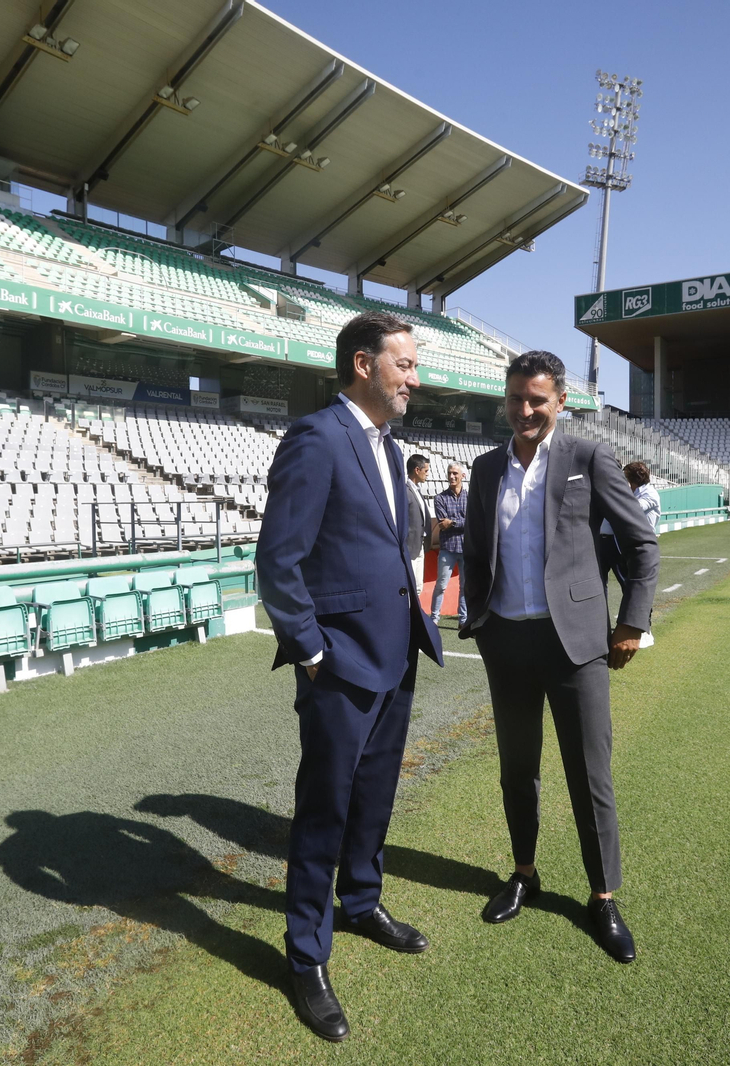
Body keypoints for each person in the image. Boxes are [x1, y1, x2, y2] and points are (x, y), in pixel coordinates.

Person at [255, 310, 444, 1042]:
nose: (415, 379)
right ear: (364, 365)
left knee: (375, 796)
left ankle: (361, 903)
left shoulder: (386, 445)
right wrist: (310, 650)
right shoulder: (316, 437)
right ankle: (306, 954)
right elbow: (279, 559)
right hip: (338, 662)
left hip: (395, 654)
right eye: (405, 365)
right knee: (325, 809)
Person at [459, 350, 659, 963]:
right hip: (507, 642)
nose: (524, 410)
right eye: (516, 398)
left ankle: (602, 896)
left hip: (576, 645)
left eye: (537, 400)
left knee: (588, 772)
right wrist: (477, 616)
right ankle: (524, 872)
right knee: (517, 769)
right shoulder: (486, 467)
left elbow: (641, 543)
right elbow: (476, 551)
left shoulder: (587, 457)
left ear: (559, 402)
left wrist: (631, 622)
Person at [431, 463, 468, 628]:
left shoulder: (471, 497)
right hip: (448, 548)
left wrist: (452, 522)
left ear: (462, 476)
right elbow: (442, 523)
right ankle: (434, 618)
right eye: (449, 473)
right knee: (441, 585)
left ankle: (463, 619)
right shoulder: (439, 498)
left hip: (467, 549)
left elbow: (473, 523)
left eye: (455, 473)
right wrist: (462, 523)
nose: (451, 476)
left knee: (465, 587)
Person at [405, 453, 433, 582]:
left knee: (418, 587)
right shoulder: (405, 491)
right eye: (426, 470)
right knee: (411, 587)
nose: (427, 474)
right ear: (417, 470)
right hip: (410, 548)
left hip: (419, 546)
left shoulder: (416, 490)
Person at [625, 461, 661, 534]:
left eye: (625, 476)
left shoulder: (650, 493)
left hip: (644, 539)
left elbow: (636, 508)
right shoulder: (631, 491)